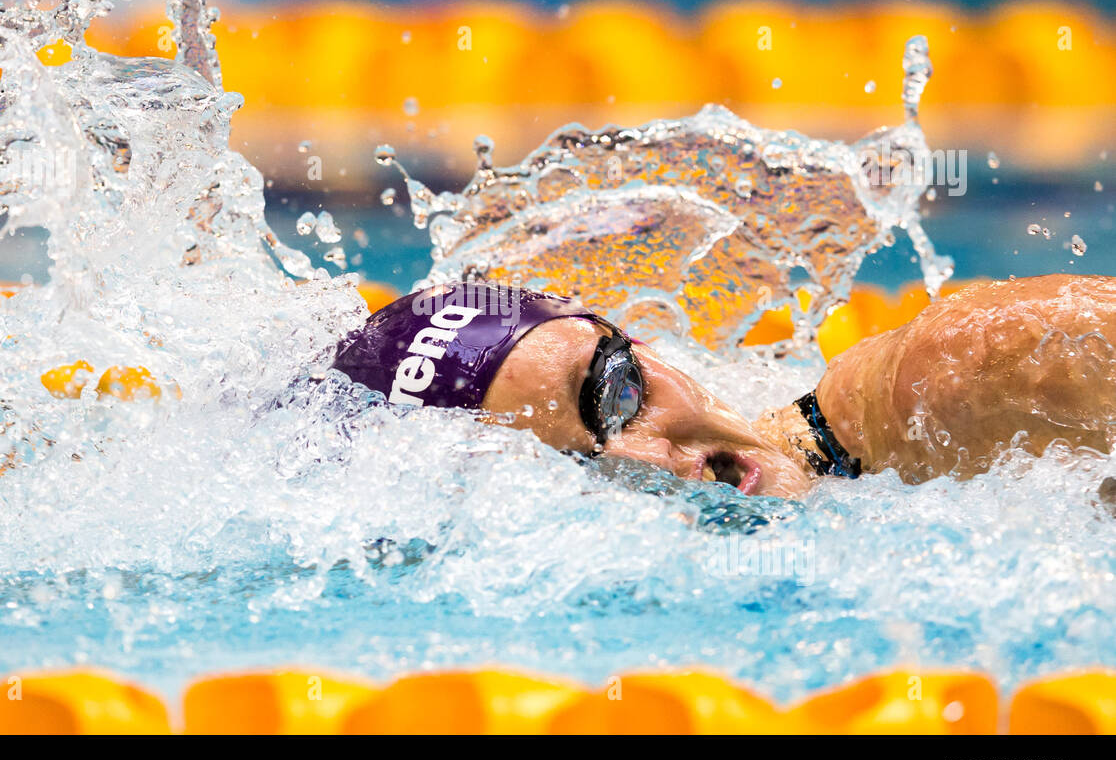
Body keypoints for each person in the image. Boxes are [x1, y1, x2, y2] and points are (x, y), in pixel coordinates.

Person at [332, 276, 1116, 498]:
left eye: (617, 394)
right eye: (565, 469)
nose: (653, 461)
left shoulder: (967, 375)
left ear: (641, 345)